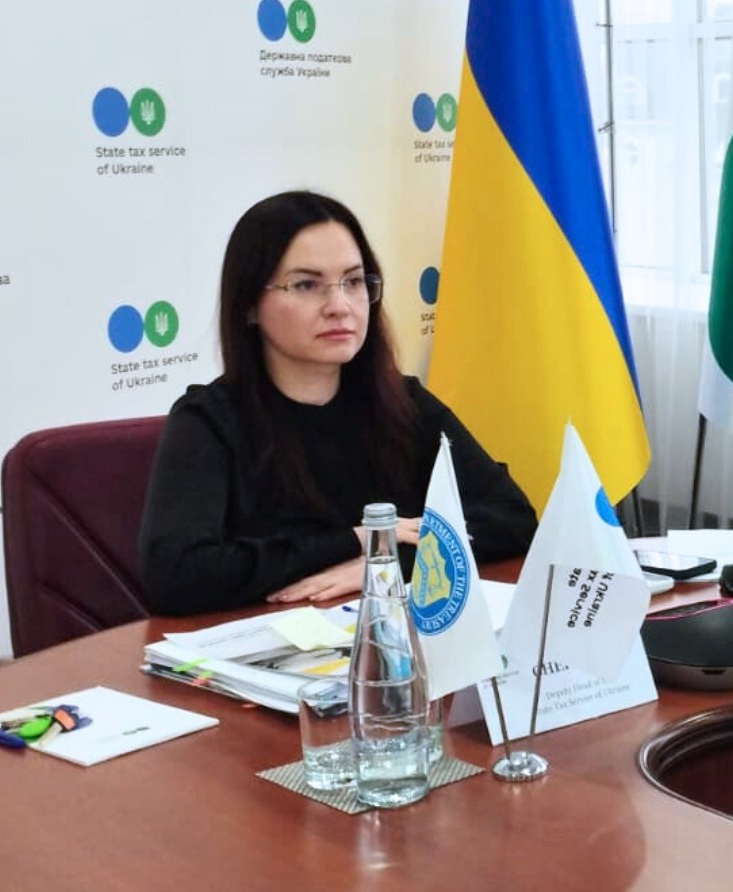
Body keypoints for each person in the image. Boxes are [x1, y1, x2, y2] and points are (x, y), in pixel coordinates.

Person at [139, 191, 537, 615]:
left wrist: (388, 564)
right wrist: (358, 539)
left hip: (390, 634)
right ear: (249, 305)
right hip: (269, 640)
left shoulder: (404, 403)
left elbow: (513, 519)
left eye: (354, 281)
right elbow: (176, 575)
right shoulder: (209, 421)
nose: (340, 306)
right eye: (306, 285)